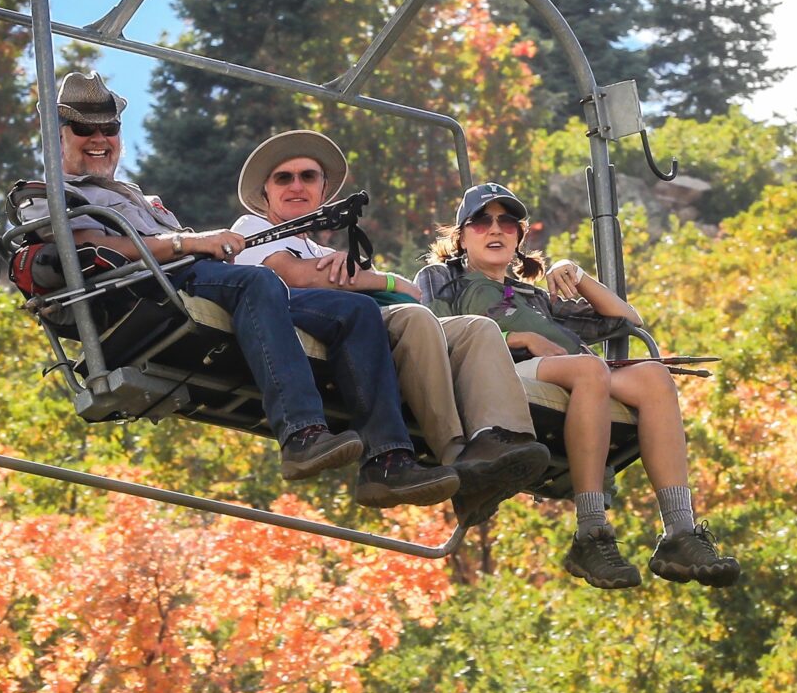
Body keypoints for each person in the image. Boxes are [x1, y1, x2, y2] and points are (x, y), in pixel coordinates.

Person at [44, 70, 456, 508]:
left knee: (355, 312)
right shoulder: (50, 193)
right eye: (84, 129)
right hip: (152, 287)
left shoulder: (136, 197)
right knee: (258, 280)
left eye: (108, 129)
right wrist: (189, 241)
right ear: (58, 135)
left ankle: (387, 461)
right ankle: (300, 432)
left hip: (194, 272)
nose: (99, 138)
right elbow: (84, 247)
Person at [419, 183, 738, 590]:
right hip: (495, 373)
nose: (495, 229)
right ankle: (591, 531)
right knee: (589, 370)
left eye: (507, 222)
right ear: (461, 236)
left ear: (519, 237)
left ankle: (680, 532)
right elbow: (431, 335)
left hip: (568, 373)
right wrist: (519, 340)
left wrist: (575, 272)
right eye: (481, 221)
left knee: (654, 377)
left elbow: (627, 318)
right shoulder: (444, 279)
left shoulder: (535, 299)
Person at [228, 130, 554, 526]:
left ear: (323, 189)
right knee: (416, 319)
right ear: (265, 193)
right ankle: (456, 458)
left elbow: (399, 291)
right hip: (301, 316)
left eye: (308, 177)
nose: (297, 186)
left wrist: (367, 279)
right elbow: (297, 277)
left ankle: (500, 440)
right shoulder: (252, 227)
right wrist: (385, 281)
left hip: (358, 316)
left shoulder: (325, 251)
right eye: (284, 178)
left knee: (476, 329)